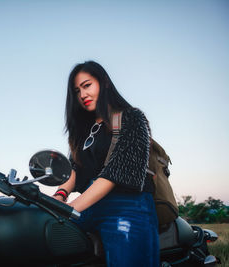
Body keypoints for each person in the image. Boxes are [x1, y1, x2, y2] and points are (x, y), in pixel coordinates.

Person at [53, 61, 159, 266]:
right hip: (87, 206)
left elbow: (115, 173)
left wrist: (70, 209)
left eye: (87, 85)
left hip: (126, 206)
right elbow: (73, 169)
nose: (82, 94)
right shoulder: (82, 131)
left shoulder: (131, 117)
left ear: (104, 83)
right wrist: (59, 196)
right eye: (77, 91)